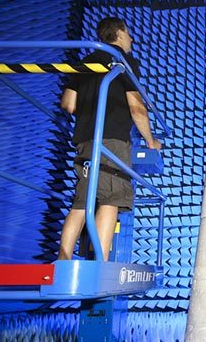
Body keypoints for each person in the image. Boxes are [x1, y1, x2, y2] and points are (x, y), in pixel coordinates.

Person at [57, 17, 161, 261]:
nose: (132, 38)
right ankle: (101, 264)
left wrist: (90, 106)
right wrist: (150, 140)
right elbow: (136, 106)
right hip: (112, 139)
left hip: (84, 139)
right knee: (110, 199)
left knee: (82, 201)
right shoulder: (122, 60)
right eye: (129, 33)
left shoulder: (86, 62)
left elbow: (68, 103)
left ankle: (62, 260)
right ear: (120, 32)